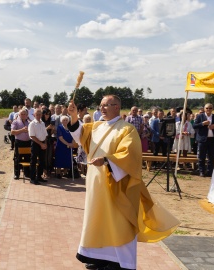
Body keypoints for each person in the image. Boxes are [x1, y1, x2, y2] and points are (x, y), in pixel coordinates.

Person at [67, 95, 179, 270]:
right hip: (97, 186)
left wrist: (106, 161)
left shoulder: (127, 129)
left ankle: (120, 263)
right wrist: (74, 116)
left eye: (107, 105)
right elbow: (80, 136)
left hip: (117, 186)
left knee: (118, 223)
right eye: (101, 105)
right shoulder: (97, 126)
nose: (102, 108)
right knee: (98, 220)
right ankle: (99, 257)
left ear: (117, 107)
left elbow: (130, 155)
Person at [192, 103, 214, 177]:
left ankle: (210, 172)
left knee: (211, 157)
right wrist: (202, 124)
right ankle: (201, 171)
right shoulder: (200, 116)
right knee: (201, 157)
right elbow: (194, 126)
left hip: (213, 140)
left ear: (212, 109)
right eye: (207, 108)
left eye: (210, 108)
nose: (208, 110)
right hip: (202, 140)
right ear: (204, 109)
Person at [28, 109, 48, 185]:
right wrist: (41, 144)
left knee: (42, 161)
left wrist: (45, 143)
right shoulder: (32, 124)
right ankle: (32, 178)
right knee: (33, 161)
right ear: (34, 115)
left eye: (40, 114)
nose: (39, 116)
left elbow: (45, 134)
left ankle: (39, 176)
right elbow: (32, 136)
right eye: (37, 114)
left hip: (42, 143)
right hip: (36, 144)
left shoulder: (42, 123)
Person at [11, 109, 31, 179]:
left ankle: (27, 173)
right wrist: (22, 130)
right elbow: (12, 132)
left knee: (27, 158)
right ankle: (17, 174)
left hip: (28, 142)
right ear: (19, 115)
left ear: (27, 115)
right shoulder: (15, 122)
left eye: (24, 114)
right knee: (17, 158)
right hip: (19, 142)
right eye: (22, 114)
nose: (23, 115)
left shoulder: (29, 122)